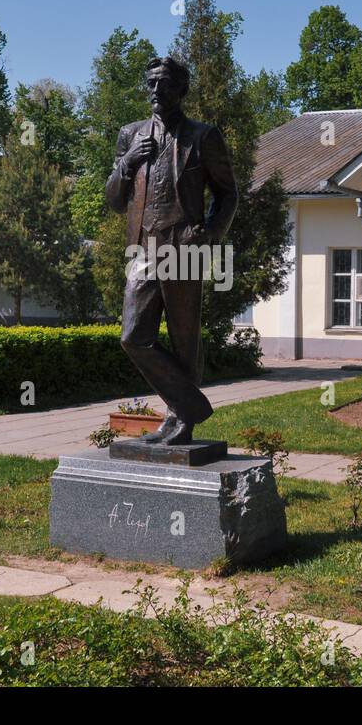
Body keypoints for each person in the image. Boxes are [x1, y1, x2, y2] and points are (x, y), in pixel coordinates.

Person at [105, 56, 238, 445]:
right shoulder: (130, 135)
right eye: (150, 84)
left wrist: (211, 234)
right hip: (143, 250)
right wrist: (127, 163)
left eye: (163, 84)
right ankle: (190, 406)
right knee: (133, 336)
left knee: (184, 338)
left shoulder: (202, 136)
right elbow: (115, 200)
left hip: (185, 247)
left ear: (181, 89)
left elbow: (227, 194)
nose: (155, 92)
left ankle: (180, 419)